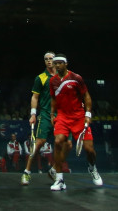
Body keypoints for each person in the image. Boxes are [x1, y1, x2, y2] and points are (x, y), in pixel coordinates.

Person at [48, 53, 103, 191]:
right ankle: (59, 179)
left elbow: (86, 95)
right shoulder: (53, 81)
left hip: (78, 117)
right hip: (62, 117)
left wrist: (88, 114)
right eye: (56, 63)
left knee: (89, 150)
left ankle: (92, 168)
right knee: (58, 142)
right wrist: (52, 114)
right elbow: (53, 99)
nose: (57, 65)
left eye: (60, 62)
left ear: (66, 64)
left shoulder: (76, 78)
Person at [21, 51, 57, 185]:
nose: (49, 61)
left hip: (61, 116)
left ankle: (54, 171)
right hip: (46, 115)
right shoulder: (40, 78)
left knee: (64, 144)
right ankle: (27, 172)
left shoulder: (63, 76)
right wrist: (33, 114)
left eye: (51, 58)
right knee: (39, 143)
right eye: (46, 59)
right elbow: (35, 97)